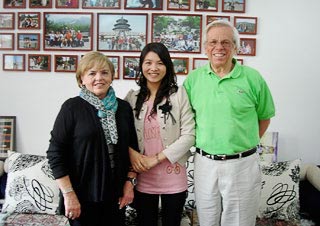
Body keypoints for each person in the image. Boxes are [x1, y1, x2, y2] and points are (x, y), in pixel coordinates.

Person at [183, 20, 275, 226]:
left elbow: (265, 116)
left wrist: (241, 143)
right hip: (204, 163)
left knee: (240, 222)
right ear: (205, 47)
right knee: (207, 220)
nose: (219, 47)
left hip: (242, 164)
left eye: (226, 42)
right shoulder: (193, 80)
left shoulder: (253, 78)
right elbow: (186, 121)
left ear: (235, 46)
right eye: (213, 42)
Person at [47, 51, 139, 226]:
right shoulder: (71, 108)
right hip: (81, 198)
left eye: (105, 72)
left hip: (116, 197)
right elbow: (55, 154)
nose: (99, 78)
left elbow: (132, 149)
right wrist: (68, 194)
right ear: (82, 79)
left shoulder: (124, 108)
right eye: (92, 73)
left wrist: (129, 183)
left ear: (112, 77)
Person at [125, 42, 195, 226]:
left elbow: (189, 136)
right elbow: (120, 132)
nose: (153, 68)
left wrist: (154, 159)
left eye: (160, 63)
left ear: (167, 66)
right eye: (148, 62)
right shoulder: (132, 98)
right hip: (142, 178)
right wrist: (132, 153)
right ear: (141, 65)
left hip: (173, 177)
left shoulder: (179, 95)